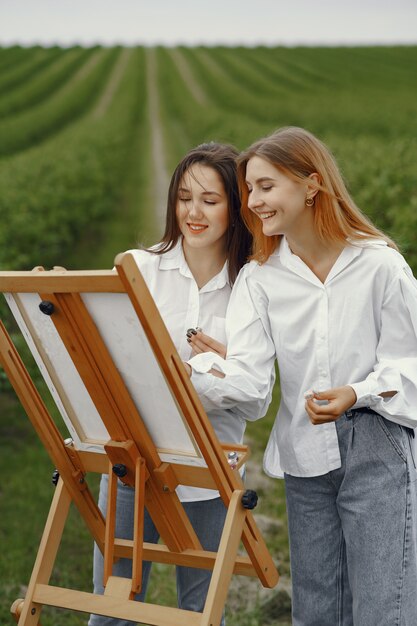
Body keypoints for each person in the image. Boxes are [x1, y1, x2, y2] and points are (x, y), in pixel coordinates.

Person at [187, 127, 417, 626]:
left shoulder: (378, 264)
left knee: (385, 609)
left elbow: (409, 361)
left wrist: (356, 392)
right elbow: (249, 381)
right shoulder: (260, 276)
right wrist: (184, 371)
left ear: (311, 184)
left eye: (266, 186)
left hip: (377, 443)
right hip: (304, 452)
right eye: (249, 189)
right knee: (316, 611)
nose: (253, 201)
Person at [88, 142, 252, 626]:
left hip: (211, 465)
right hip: (133, 460)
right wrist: (211, 369)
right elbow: (107, 359)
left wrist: (187, 375)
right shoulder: (138, 268)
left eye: (210, 199)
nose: (193, 212)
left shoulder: (253, 284)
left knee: (201, 613)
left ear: (236, 208)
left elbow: (252, 392)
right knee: (112, 608)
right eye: (184, 197)